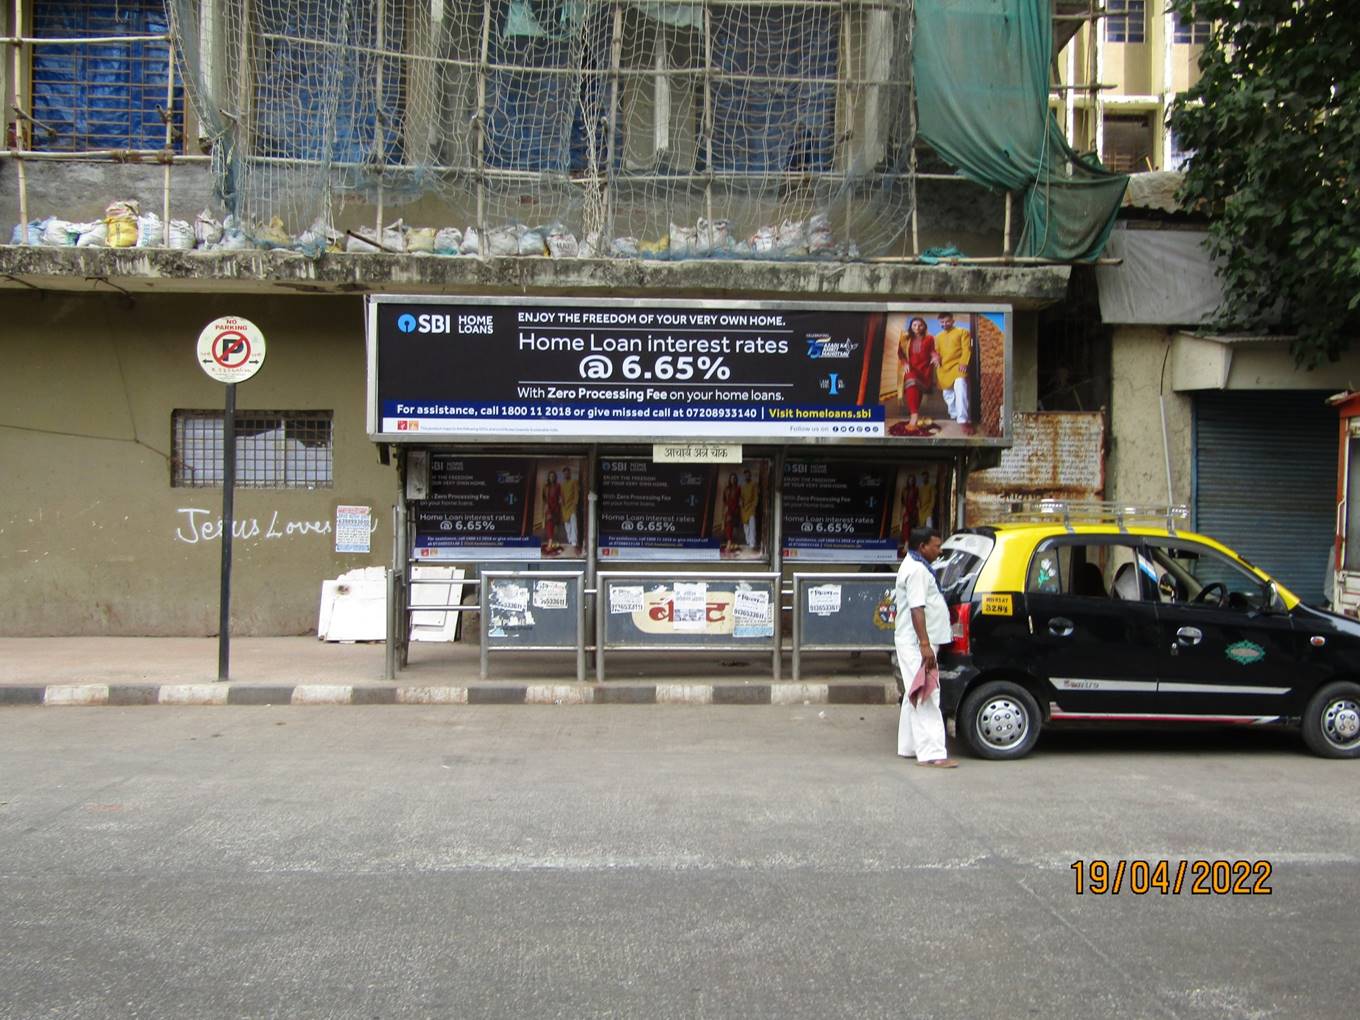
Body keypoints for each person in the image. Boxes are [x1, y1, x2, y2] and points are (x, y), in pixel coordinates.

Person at [894, 526, 958, 767]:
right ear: (922, 547)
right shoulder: (917, 571)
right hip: (916, 641)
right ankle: (933, 754)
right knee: (927, 693)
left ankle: (909, 746)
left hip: (916, 640)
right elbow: (916, 608)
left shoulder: (915, 565)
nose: (939, 551)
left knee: (916, 690)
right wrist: (924, 644)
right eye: (936, 546)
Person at [934, 312, 974, 435]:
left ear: (953, 321)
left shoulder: (962, 332)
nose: (944, 324)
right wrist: (936, 357)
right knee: (948, 394)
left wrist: (964, 363)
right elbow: (936, 351)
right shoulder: (938, 336)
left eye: (947, 321)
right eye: (942, 322)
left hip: (958, 366)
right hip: (943, 368)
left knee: (960, 387)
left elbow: (967, 348)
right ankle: (955, 414)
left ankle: (963, 420)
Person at [897, 316, 939, 428]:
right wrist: (904, 363)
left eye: (920, 325)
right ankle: (914, 415)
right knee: (912, 381)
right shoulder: (905, 338)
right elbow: (900, 353)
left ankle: (915, 412)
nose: (917, 327)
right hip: (911, 368)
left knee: (917, 390)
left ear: (924, 326)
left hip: (925, 369)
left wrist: (935, 357)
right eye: (914, 325)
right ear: (911, 326)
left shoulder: (930, 338)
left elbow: (932, 351)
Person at [541, 470, 562, 553]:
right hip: (548, 508)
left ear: (555, 477)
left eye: (553, 476)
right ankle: (550, 543)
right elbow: (544, 498)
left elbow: (560, 497)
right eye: (550, 476)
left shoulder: (558, 486)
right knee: (549, 525)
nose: (552, 478)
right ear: (548, 477)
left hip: (556, 508)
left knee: (554, 525)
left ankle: (552, 542)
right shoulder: (545, 486)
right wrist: (546, 508)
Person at [739, 467, 760, 549]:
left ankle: (752, 543)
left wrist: (754, 505)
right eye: (745, 475)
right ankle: (748, 541)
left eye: (748, 475)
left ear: (750, 476)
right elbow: (741, 497)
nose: (746, 476)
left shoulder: (754, 484)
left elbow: (756, 496)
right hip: (744, 509)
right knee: (746, 526)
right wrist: (741, 502)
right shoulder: (743, 486)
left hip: (751, 508)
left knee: (752, 526)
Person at [721, 472, 742, 552]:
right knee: (726, 527)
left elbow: (740, 499)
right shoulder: (726, 489)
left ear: (736, 479)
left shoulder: (738, 488)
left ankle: (729, 544)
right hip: (727, 509)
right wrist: (724, 509)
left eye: (734, 478)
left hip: (735, 510)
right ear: (730, 479)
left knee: (730, 525)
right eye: (732, 478)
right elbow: (724, 500)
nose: (733, 480)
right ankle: (729, 543)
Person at [560, 465, 580, 550]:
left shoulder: (574, 481)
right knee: (567, 524)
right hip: (565, 507)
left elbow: (576, 494)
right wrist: (561, 502)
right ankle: (569, 540)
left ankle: (574, 541)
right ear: (563, 475)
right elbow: (561, 495)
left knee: (573, 523)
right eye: (564, 473)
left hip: (572, 506)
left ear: (570, 474)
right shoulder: (562, 485)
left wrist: (575, 504)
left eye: (567, 473)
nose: (566, 475)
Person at [898, 474, 918, 556]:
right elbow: (902, 501)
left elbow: (917, 500)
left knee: (912, 527)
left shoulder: (916, 489)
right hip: (906, 510)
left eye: (912, 480)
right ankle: (906, 545)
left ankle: (909, 546)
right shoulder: (904, 489)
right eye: (910, 480)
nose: (911, 481)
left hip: (913, 510)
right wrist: (903, 511)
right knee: (906, 527)